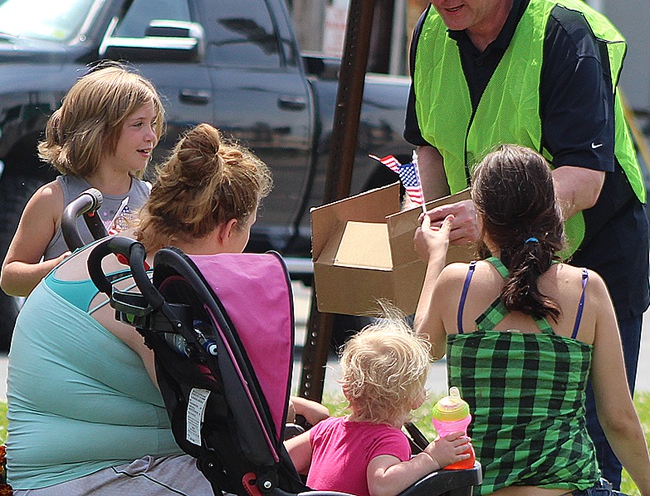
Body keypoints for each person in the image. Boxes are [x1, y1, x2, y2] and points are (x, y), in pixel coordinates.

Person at [404, 0, 649, 488]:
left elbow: (584, 180)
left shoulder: (566, 32)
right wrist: (432, 213)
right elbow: (427, 147)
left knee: (592, 433)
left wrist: (480, 216)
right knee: (488, 432)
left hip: (594, 248)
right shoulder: (431, 31)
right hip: (497, 250)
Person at [6, 123, 327, 495]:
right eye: (248, 230)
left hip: (59, 469)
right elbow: (216, 415)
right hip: (90, 478)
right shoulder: (153, 295)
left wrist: (289, 408)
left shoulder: (117, 258)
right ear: (229, 229)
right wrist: (301, 423)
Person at [413, 144, 650, 496]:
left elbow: (421, 351)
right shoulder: (587, 288)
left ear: (480, 216)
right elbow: (619, 420)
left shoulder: (456, 285)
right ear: (552, 212)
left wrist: (435, 259)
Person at [0, 62, 165, 297]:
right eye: (138, 124)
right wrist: (59, 267)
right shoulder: (54, 199)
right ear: (98, 130)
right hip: (67, 329)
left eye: (153, 124)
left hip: (125, 332)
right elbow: (10, 279)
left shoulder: (152, 200)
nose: (152, 136)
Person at [285, 315, 472, 496]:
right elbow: (382, 487)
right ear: (415, 398)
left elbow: (281, 459)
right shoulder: (389, 439)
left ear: (347, 389)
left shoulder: (326, 430)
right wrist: (431, 458)